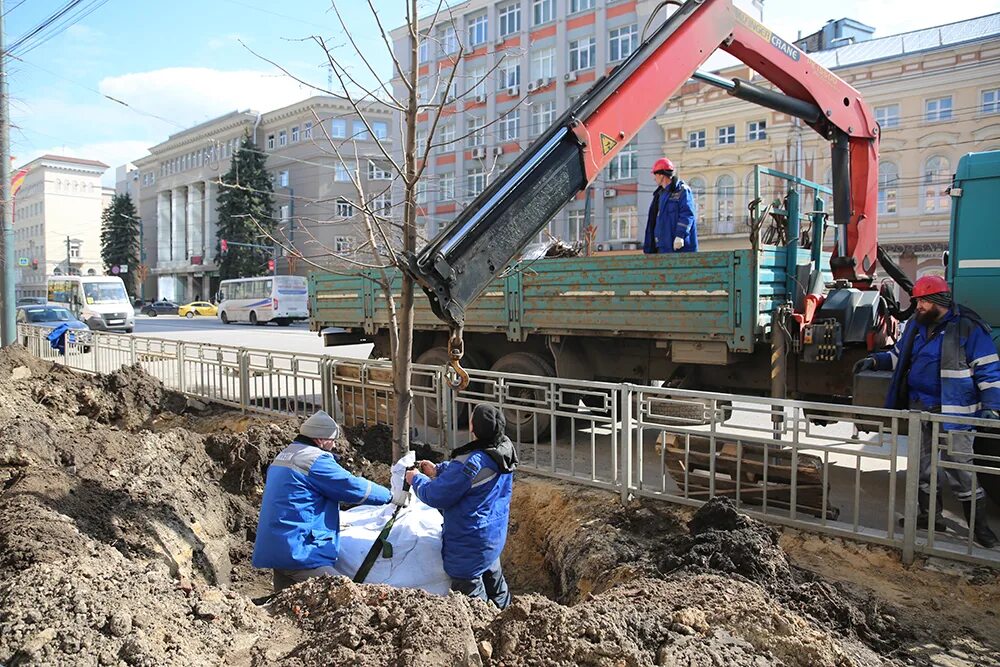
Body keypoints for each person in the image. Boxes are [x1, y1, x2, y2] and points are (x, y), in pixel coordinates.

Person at [855, 275, 1000, 548]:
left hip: (954, 415)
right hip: (920, 411)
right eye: (917, 301)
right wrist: (875, 360)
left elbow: (988, 369)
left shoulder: (967, 328)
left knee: (960, 471)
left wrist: (993, 407)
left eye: (921, 301)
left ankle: (980, 530)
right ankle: (929, 517)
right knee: (923, 469)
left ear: (937, 301)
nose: (917, 306)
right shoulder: (916, 326)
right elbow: (899, 356)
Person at [252, 410, 401, 591]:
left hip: (278, 547)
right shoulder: (314, 460)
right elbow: (351, 486)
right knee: (346, 596)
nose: (334, 445)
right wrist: (390, 496)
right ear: (321, 439)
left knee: (284, 607)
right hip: (301, 552)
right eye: (332, 441)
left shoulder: (286, 454)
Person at [406, 404, 518, 608]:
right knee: (497, 586)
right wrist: (439, 470)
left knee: (474, 601)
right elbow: (471, 475)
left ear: (474, 428)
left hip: (468, 544)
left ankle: (485, 632)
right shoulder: (503, 450)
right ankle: (511, 618)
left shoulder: (471, 462)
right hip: (493, 537)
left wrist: (416, 480)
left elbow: (437, 495)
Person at [643, 157, 698, 254]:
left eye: (655, 175)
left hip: (679, 248)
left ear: (661, 175)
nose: (654, 178)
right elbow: (653, 221)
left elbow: (687, 214)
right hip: (662, 247)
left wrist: (680, 235)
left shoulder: (682, 191)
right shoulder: (659, 195)